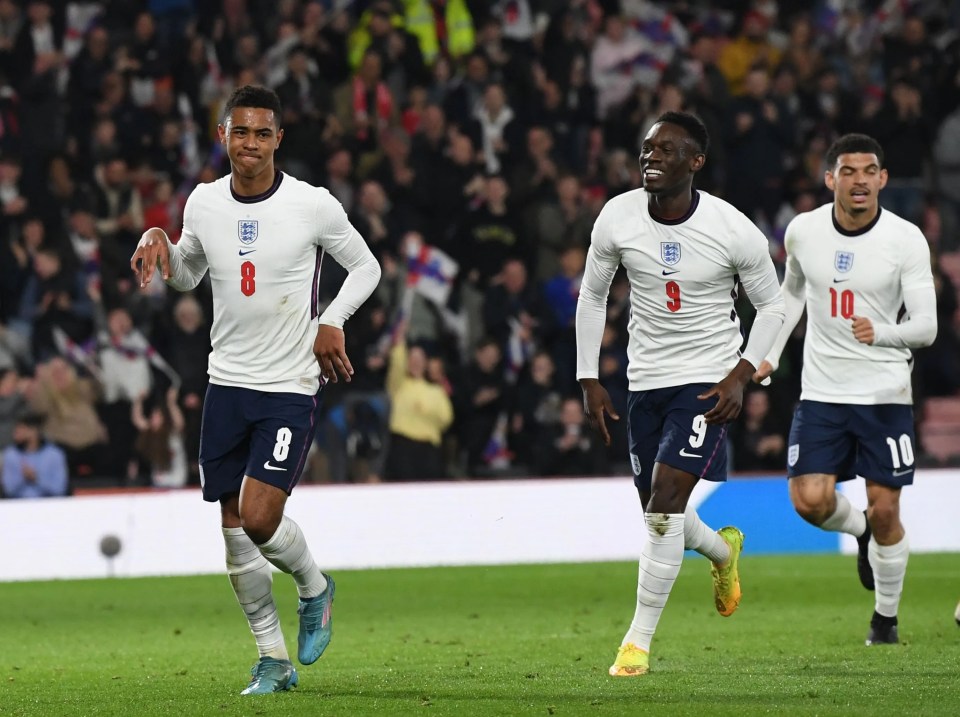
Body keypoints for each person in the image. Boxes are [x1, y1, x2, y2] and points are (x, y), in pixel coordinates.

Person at [130, 85, 381, 695]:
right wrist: (162, 239)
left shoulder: (311, 205)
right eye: (240, 132)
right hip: (226, 383)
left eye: (262, 133)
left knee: (263, 518)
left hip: (288, 383)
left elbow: (368, 266)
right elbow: (191, 274)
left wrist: (332, 320)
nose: (250, 144)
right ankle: (272, 659)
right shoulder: (205, 202)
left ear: (278, 140)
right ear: (223, 136)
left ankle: (316, 587)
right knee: (234, 529)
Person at [576, 111, 786, 677]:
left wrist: (741, 375)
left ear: (695, 162)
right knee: (657, 512)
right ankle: (722, 550)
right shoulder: (617, 218)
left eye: (667, 150)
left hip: (708, 379)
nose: (651, 157)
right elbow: (592, 298)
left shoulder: (733, 229)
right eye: (647, 148)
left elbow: (774, 305)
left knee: (666, 498)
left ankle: (636, 644)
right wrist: (588, 378)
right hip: (644, 380)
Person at [753, 133, 937, 647]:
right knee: (809, 500)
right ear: (830, 178)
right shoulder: (804, 232)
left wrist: (883, 332)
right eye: (849, 171)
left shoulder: (906, 240)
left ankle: (885, 622)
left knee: (887, 512)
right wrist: (768, 353)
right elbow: (790, 298)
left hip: (883, 393)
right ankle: (858, 533)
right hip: (822, 391)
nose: (860, 180)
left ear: (882, 179)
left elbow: (926, 327)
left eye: (870, 171)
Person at [1, 412, 69, 499]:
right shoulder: (10, 455)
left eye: (21, 429)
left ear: (33, 431)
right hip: (18, 506)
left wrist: (36, 478)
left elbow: (59, 489)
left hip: (48, 506)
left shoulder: (55, 454)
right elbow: (8, 490)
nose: (15, 433)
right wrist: (23, 478)